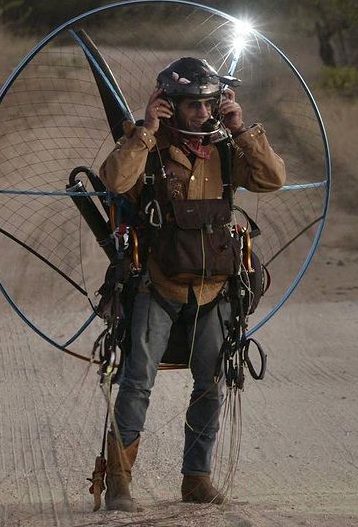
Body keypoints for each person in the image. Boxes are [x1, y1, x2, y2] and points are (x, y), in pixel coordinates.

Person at [97, 57, 285, 510]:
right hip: (157, 286)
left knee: (211, 383)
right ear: (169, 105)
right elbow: (114, 180)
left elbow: (272, 178)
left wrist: (241, 130)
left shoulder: (224, 148)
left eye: (209, 104)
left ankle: (196, 479)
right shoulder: (148, 147)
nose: (202, 113)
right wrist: (146, 130)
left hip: (214, 290)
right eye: (192, 105)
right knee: (137, 381)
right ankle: (119, 481)